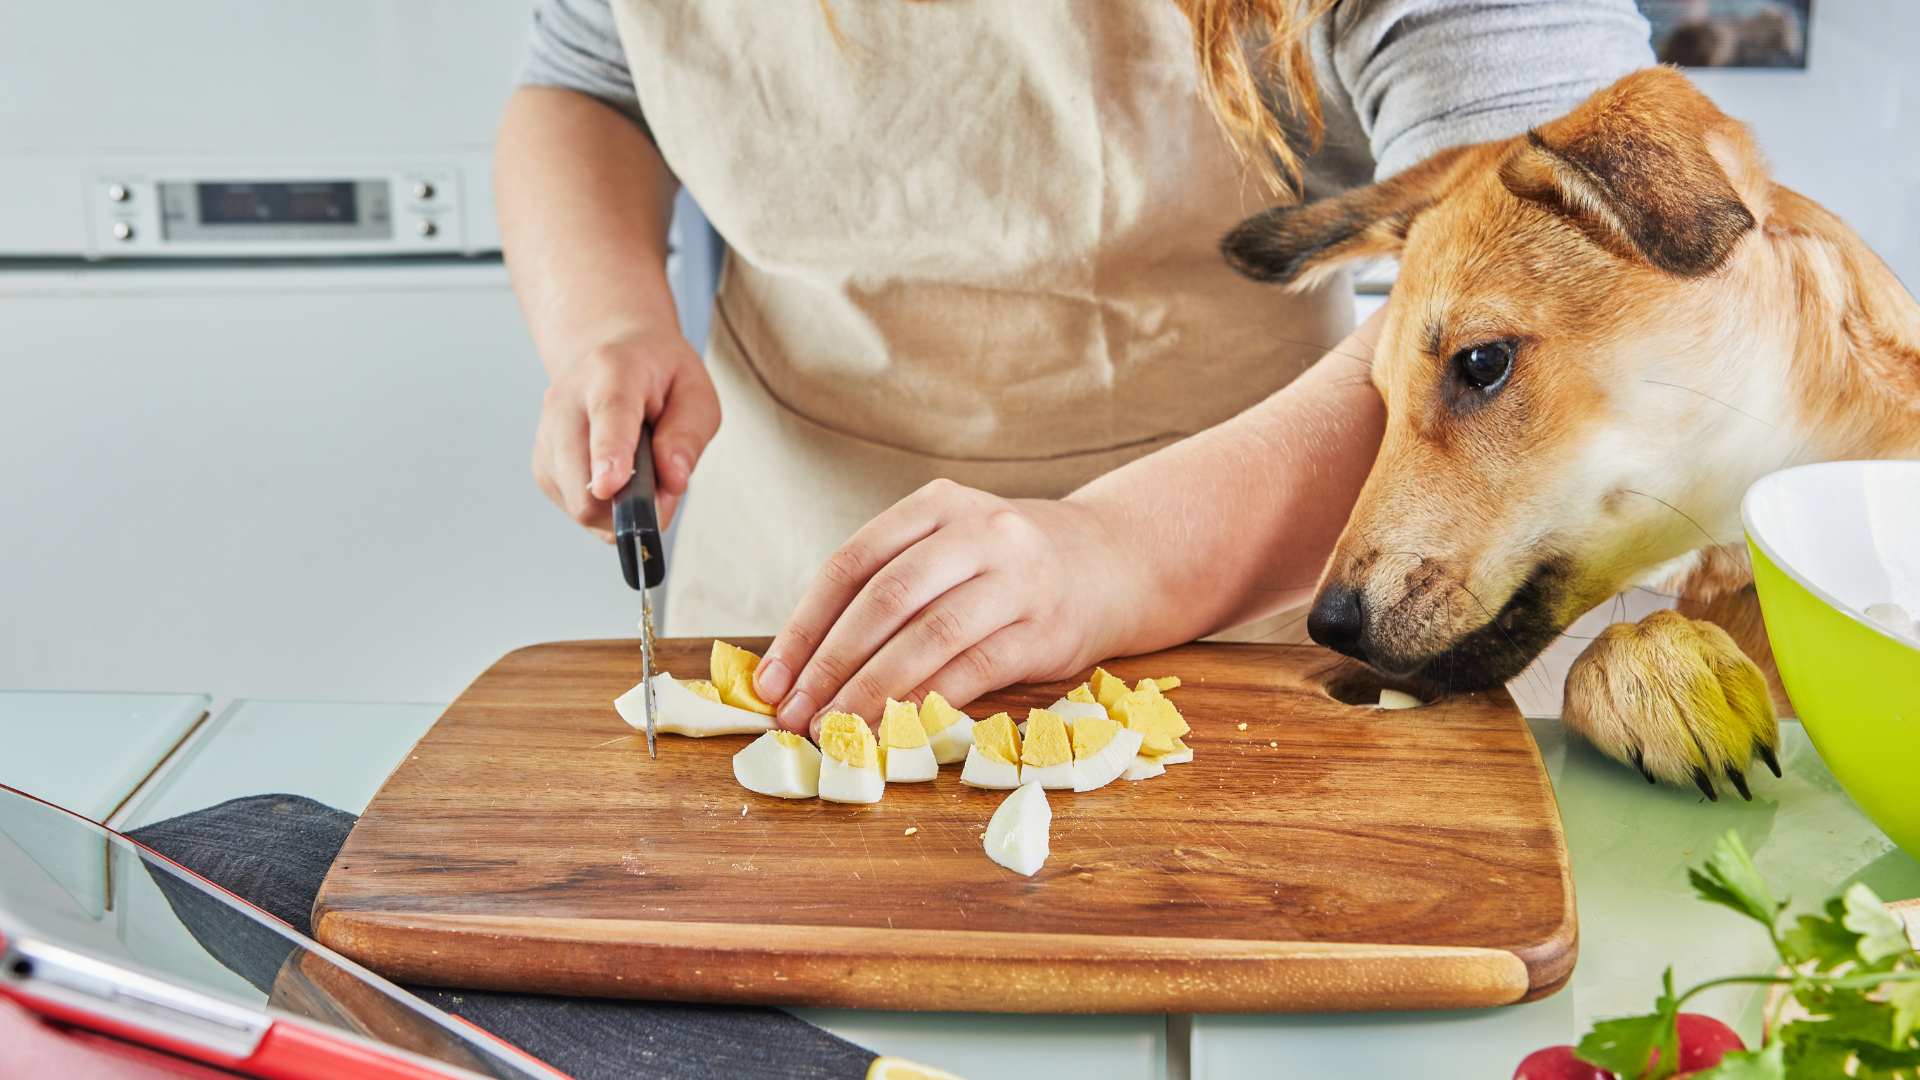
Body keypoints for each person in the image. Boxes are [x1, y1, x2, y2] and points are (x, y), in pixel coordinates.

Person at [500, 0, 1655, 736]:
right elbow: (590, 82)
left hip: (1275, 597)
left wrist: (1116, 549)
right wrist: (606, 319)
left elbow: (1579, 263)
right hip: (795, 581)